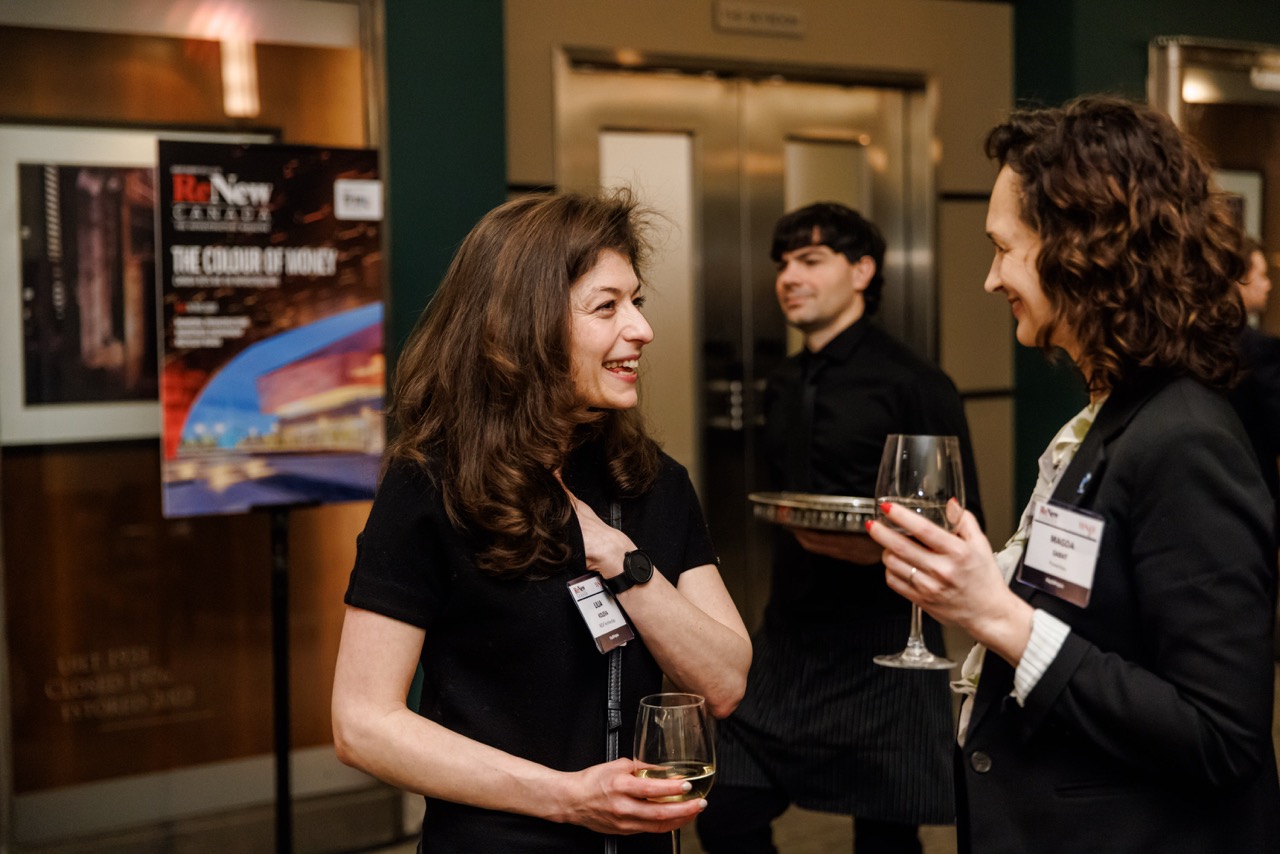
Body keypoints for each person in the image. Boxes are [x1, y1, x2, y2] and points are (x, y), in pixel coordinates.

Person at [867, 95, 1280, 853]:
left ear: (1084, 251)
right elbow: (1099, 610)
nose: (991, 279)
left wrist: (997, 616)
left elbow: (1221, 736)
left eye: (1003, 249)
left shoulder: (1186, 440)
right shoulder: (1110, 415)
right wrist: (977, 581)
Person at [331, 191, 752, 853]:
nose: (642, 328)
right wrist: (568, 798)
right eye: (607, 306)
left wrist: (620, 560)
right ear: (526, 326)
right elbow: (362, 724)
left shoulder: (651, 479)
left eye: (636, 301)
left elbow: (725, 682)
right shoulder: (431, 485)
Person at [697, 202, 982, 854]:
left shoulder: (914, 383)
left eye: (810, 260)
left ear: (861, 271)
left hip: (884, 637)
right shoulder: (783, 381)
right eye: (782, 263)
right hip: (790, 635)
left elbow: (962, 525)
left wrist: (875, 551)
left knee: (886, 839)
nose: (788, 277)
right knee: (725, 811)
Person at [1232, 236, 1280, 508]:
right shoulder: (1258, 349)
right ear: (1241, 280)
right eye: (1261, 275)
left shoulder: (1202, 343)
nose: (1268, 284)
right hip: (1255, 488)